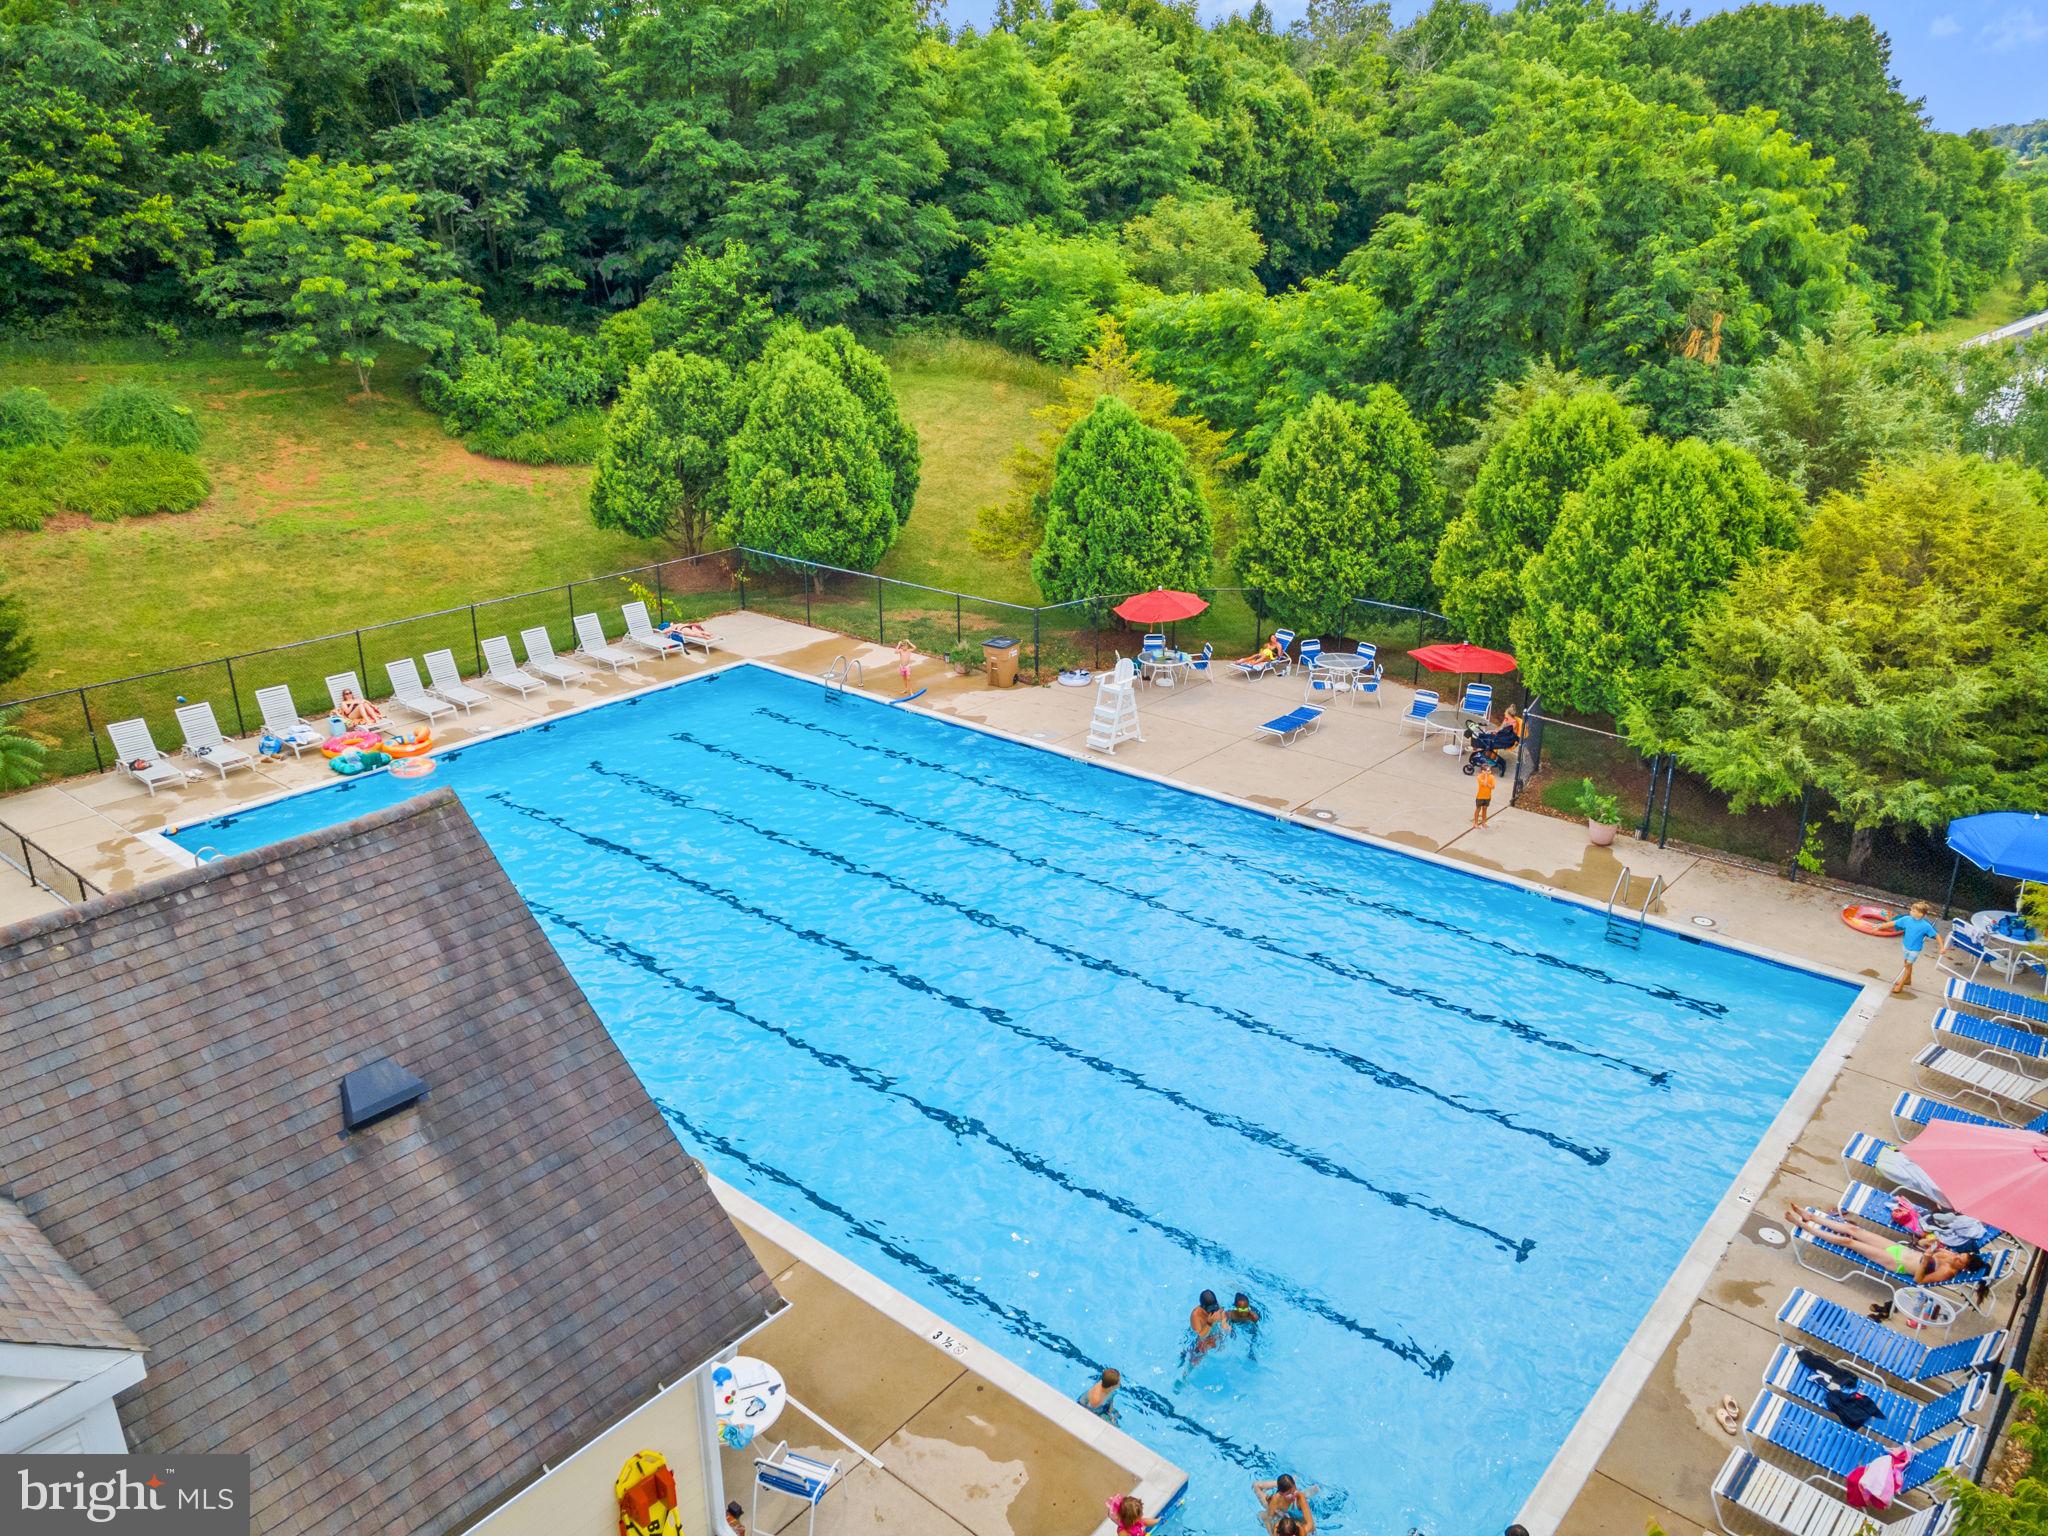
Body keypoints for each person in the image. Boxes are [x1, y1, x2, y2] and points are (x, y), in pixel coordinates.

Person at [1783, 1205, 1991, 1295]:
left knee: (1850, 1242)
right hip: (1901, 1251)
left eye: (1960, 1258)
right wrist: (1927, 1245)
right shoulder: (1948, 1255)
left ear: (1963, 1267)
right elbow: (1921, 1247)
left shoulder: (1947, 1272)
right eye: (1960, 1254)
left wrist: (1927, 1260)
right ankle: (1813, 1217)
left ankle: (1805, 1226)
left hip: (1898, 1263)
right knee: (1854, 1229)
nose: (1956, 1256)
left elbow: (1919, 1280)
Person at [1888, 900, 1940, 996]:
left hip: (1914, 950)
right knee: (1907, 964)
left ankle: (1901, 985)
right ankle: (1908, 980)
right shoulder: (1907, 919)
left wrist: (1942, 948)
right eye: (1911, 910)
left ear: (1921, 914)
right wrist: (1879, 926)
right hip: (1906, 946)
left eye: (1914, 911)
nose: (1911, 912)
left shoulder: (1926, 926)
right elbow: (1894, 923)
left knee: (1907, 965)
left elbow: (1937, 935)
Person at [1186, 1289, 1230, 1363]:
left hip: (1212, 1333)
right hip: (1199, 1336)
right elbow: (1199, 1337)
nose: (1213, 1312)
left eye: (1214, 1309)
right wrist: (1209, 1323)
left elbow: (1222, 1313)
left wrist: (1224, 1323)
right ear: (1202, 1307)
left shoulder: (1216, 1306)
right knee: (1197, 1354)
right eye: (1209, 1310)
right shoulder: (1195, 1315)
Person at [1225, 1292, 1261, 1358]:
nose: (1243, 1312)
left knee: (1255, 1333)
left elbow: (1257, 1325)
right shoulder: (1231, 1314)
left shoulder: (1252, 1316)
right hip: (1236, 1322)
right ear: (1235, 1308)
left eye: (1245, 1309)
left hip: (1248, 1323)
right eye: (1241, 1309)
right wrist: (1232, 1329)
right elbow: (1227, 1322)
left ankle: (1251, 1351)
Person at [1474, 762, 1496, 827]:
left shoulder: (1492, 777)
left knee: (1485, 809)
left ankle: (1483, 822)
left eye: (1490, 770)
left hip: (1487, 796)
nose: (1490, 772)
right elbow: (1485, 784)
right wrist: (1486, 776)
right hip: (1480, 796)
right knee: (1478, 809)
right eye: (1488, 771)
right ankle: (1475, 823)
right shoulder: (1479, 777)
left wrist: (1488, 785)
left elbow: (1493, 787)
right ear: (1483, 771)